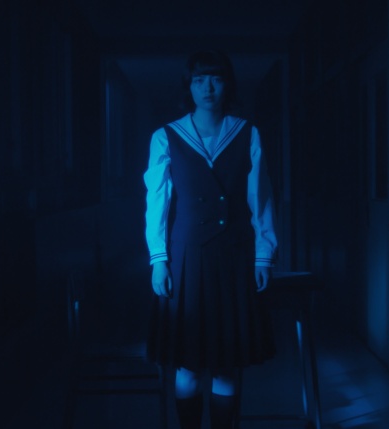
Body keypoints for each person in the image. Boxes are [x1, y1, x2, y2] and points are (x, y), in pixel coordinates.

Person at [143, 49, 278, 429]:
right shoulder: (166, 136)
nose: (208, 88)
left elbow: (261, 197)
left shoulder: (247, 133)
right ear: (188, 86)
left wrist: (264, 254)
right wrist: (159, 259)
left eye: (216, 79)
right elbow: (156, 202)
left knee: (226, 363)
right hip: (185, 256)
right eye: (199, 80)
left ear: (227, 84)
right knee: (187, 364)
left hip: (235, 255)